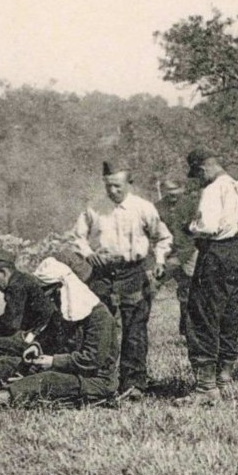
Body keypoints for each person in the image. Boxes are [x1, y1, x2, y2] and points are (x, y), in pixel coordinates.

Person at [0, 258, 116, 407]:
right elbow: (49, 337)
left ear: (61, 289)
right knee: (7, 363)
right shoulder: (65, 310)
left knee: (45, 380)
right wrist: (36, 347)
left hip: (95, 381)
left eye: (48, 294)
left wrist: (52, 361)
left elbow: (92, 360)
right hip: (67, 369)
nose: (47, 299)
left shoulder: (99, 317)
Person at [71, 161, 172, 401]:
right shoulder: (94, 208)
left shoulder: (143, 208)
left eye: (117, 186)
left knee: (135, 330)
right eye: (108, 186)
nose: (112, 191)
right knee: (103, 328)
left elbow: (163, 237)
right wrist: (88, 254)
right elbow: (77, 238)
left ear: (129, 183)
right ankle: (104, 381)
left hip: (133, 273)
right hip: (103, 275)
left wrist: (158, 260)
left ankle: (134, 384)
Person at [179, 149, 238, 404]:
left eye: (198, 175)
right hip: (237, 256)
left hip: (214, 256)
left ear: (203, 169)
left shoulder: (212, 190)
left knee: (202, 317)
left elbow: (208, 226)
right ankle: (224, 378)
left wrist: (190, 227)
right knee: (229, 318)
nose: (199, 181)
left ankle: (206, 388)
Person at [0, 249, 56, 363]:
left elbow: (10, 324)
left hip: (40, 337)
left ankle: (15, 369)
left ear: (4, 272)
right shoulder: (24, 279)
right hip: (45, 334)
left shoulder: (15, 287)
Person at [155, 177, 198, 341]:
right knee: (151, 285)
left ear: (181, 189)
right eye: (169, 190)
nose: (172, 193)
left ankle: (189, 333)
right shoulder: (157, 207)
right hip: (167, 254)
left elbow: (198, 230)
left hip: (189, 251)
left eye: (176, 189)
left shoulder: (191, 204)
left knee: (189, 293)